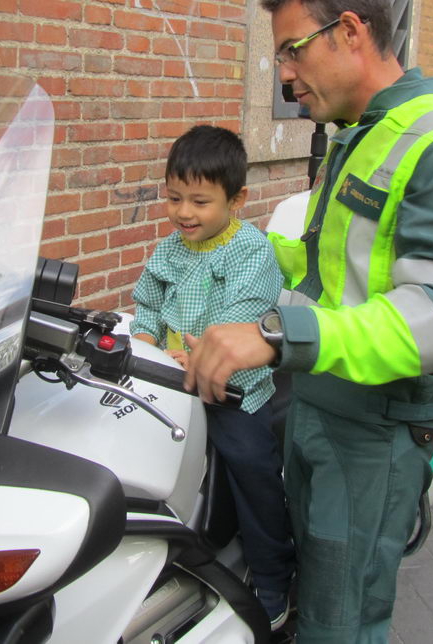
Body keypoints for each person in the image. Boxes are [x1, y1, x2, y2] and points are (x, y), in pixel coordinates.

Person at [183, 0, 433, 643]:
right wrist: (229, 247)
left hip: (373, 427)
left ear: (348, 31)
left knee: (341, 621)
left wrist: (277, 337)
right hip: (318, 400)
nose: (282, 73)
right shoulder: (358, 135)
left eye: (291, 49)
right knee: (313, 590)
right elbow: (329, 269)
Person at [129, 124, 295, 630]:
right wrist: (144, 339)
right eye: (174, 197)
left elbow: (239, 323)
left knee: (251, 470)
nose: (183, 213)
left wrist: (195, 357)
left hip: (233, 394)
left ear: (237, 199)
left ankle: (273, 578)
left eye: (199, 201)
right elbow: (149, 301)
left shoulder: (252, 251)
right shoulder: (173, 246)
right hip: (171, 380)